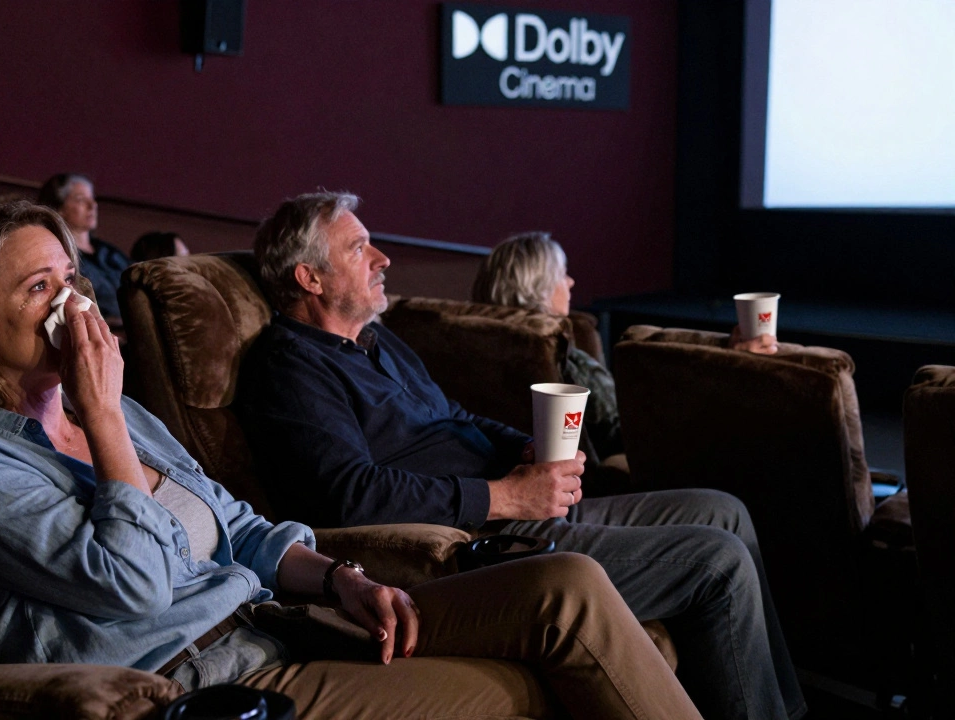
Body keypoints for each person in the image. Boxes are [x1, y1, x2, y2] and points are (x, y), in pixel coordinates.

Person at [0, 201, 702, 720]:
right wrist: (104, 415)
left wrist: (339, 578)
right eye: (42, 288)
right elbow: (134, 583)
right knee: (529, 688)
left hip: (282, 622)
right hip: (205, 684)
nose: (73, 305)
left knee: (566, 586)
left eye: (73, 280)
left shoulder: (125, 417)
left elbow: (238, 526)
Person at [236, 191, 807, 720]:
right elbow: (351, 494)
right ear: (309, 277)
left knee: (724, 509)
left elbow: (453, 418)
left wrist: (525, 449)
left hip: (522, 505)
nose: (382, 258)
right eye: (359, 248)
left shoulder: (376, 341)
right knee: (719, 560)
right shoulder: (291, 367)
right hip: (485, 543)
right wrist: (505, 495)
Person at [472, 232, 779, 461]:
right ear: (538, 286)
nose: (571, 282)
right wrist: (728, 371)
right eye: (562, 273)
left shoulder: (477, 342)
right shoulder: (553, 351)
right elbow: (628, 430)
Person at [37, 174, 129, 319]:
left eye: (92, 198)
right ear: (59, 208)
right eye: (80, 199)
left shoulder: (109, 252)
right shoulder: (58, 256)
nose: (93, 205)